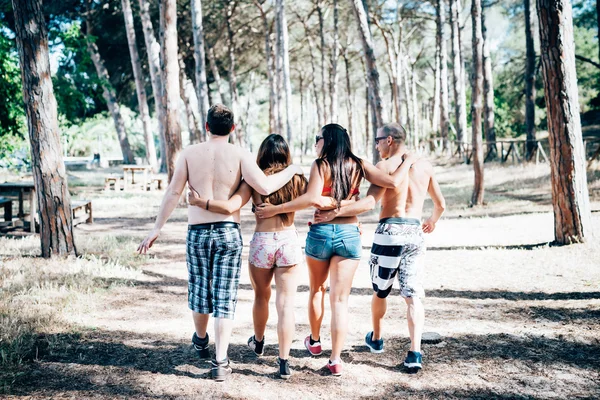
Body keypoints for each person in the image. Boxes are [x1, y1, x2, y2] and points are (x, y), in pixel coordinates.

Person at [137, 105, 303, 382]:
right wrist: (294, 169)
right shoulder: (240, 155)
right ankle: (221, 361)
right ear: (233, 128)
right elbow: (264, 186)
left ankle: (201, 340)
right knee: (224, 296)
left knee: (200, 289)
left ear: (206, 126)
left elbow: (173, 192)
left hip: (198, 231)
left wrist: (156, 229)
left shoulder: (189, 154)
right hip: (228, 232)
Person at [255, 123, 417, 376]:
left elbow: (310, 198)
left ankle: (316, 341)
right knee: (340, 300)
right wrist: (408, 161)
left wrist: (275, 209)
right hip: (349, 233)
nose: (316, 143)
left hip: (320, 233)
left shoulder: (321, 165)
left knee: (317, 290)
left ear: (327, 140)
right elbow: (393, 182)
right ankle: (335, 359)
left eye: (318, 138)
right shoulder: (359, 164)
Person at [188, 134, 335, 379]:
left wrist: (200, 201)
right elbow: (316, 200)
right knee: (286, 304)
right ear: (286, 153)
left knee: (261, 296)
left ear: (261, 155)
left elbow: (231, 205)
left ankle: (258, 341)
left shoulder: (254, 179)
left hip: (262, 243)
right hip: (288, 240)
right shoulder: (297, 179)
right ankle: (284, 362)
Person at [313, 123, 446, 372]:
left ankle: (376, 337)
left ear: (389, 141)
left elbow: (370, 202)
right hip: (415, 232)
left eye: (377, 140)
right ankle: (415, 352)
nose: (376, 145)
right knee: (412, 294)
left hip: (389, 231)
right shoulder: (425, 166)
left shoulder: (384, 167)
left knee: (380, 290)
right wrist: (432, 221)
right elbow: (440, 205)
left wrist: (334, 213)